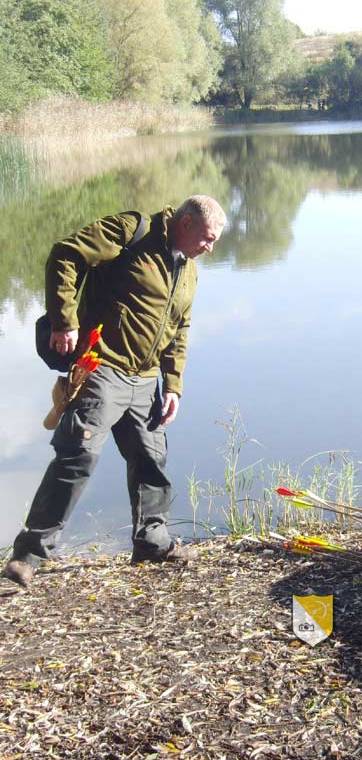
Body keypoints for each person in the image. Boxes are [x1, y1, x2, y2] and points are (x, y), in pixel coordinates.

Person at [2, 196, 227, 587]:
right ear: (186, 222)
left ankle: (153, 544)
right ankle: (27, 556)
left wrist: (173, 384)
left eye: (215, 242)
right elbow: (65, 254)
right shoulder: (133, 232)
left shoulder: (187, 269)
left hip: (146, 380)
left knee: (151, 462)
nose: (209, 248)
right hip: (102, 366)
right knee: (78, 456)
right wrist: (63, 320)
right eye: (207, 238)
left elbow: (181, 329)